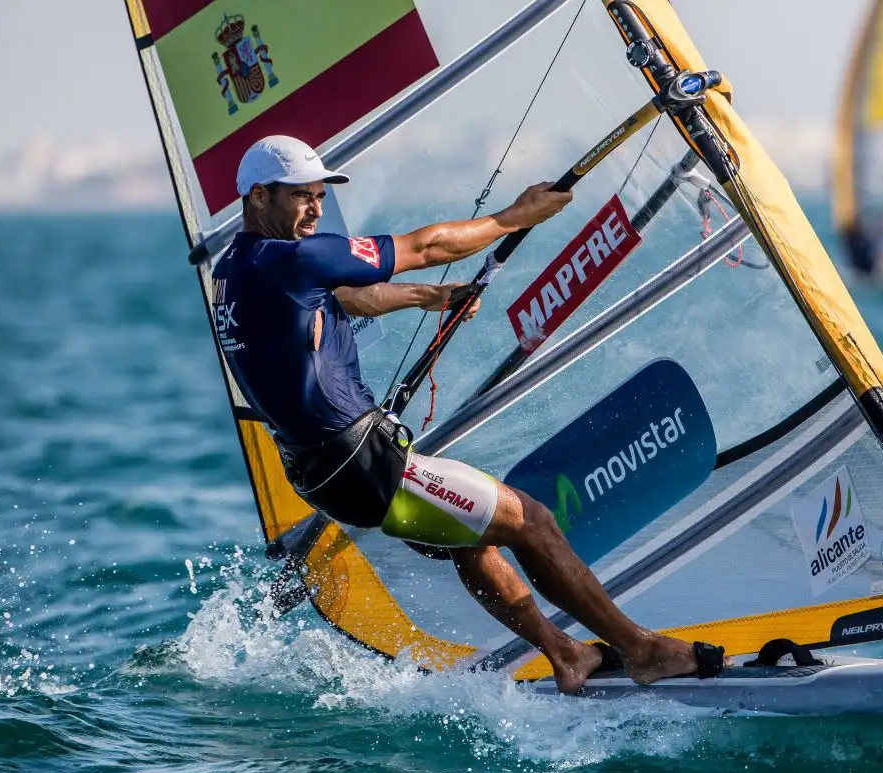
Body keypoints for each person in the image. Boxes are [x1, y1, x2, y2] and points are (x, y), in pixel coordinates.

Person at [211, 135, 729, 693]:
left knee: (468, 537)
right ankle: (642, 650)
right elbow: (428, 246)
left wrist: (426, 299)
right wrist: (515, 216)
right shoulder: (294, 258)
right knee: (532, 522)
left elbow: (341, 297)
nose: (314, 208)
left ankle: (567, 654)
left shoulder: (236, 270)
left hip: (324, 473)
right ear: (259, 196)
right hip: (366, 463)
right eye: (300, 197)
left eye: (318, 195)